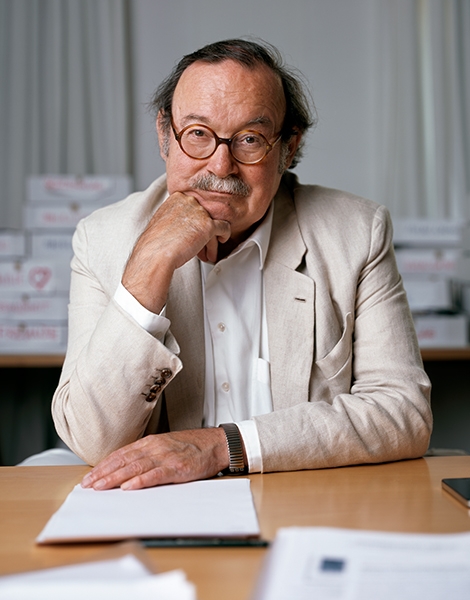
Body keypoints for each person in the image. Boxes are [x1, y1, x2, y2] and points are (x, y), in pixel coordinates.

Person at [52, 38, 432, 491]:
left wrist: (224, 446)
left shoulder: (355, 232)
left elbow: (404, 412)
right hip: (161, 505)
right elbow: (93, 440)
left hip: (305, 500)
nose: (221, 166)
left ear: (288, 147)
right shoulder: (103, 238)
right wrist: (148, 267)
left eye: (249, 139)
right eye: (197, 133)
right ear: (164, 136)